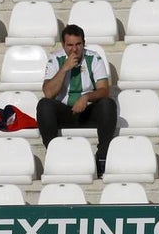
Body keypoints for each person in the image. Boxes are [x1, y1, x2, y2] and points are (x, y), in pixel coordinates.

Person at [37, 25, 117, 178]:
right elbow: (48, 93)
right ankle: (53, 154)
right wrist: (64, 68)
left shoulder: (94, 58)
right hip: (64, 112)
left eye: (78, 44)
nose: (74, 49)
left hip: (87, 111)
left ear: (83, 43)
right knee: (44, 105)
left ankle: (102, 156)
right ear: (63, 45)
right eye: (70, 45)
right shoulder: (55, 59)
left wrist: (86, 97)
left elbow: (104, 90)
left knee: (108, 104)